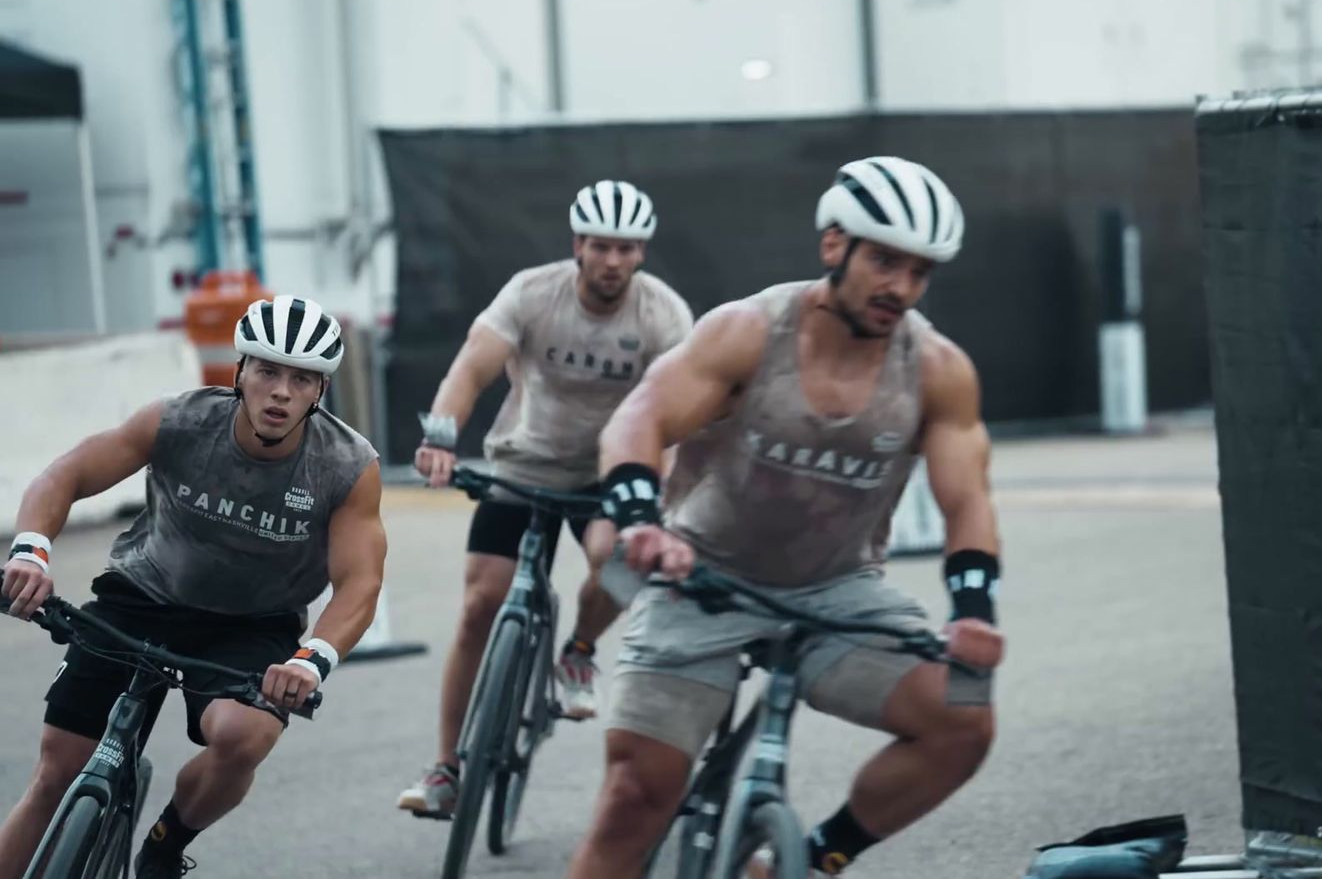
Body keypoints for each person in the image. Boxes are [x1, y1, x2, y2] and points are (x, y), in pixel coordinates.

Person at [564, 156, 1006, 878]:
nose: (901, 286)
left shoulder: (937, 367)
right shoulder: (747, 331)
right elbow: (637, 417)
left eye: (920, 271)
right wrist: (641, 517)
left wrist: (974, 608)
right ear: (836, 245)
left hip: (837, 590)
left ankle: (812, 857)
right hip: (700, 572)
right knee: (634, 798)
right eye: (886, 260)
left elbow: (968, 499)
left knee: (965, 715)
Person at [0, 295, 386, 879]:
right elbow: (67, 474)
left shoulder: (345, 465)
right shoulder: (180, 422)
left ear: (320, 390)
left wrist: (312, 661)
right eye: (267, 370)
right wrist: (31, 550)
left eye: (301, 378)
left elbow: (360, 581)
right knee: (57, 771)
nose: (281, 391)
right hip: (142, 596)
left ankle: (166, 840)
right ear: (240, 371)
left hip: (253, 624)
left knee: (244, 734)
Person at [397, 179, 695, 818]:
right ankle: (446, 767)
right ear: (578, 245)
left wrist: (663, 484)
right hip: (524, 463)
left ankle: (580, 649)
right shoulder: (534, 293)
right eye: (600, 246)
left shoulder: (662, 315)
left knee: (617, 557)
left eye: (626, 248)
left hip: (611, 471)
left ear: (641, 253)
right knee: (480, 603)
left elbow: (679, 407)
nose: (613, 261)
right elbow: (471, 368)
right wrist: (441, 442)